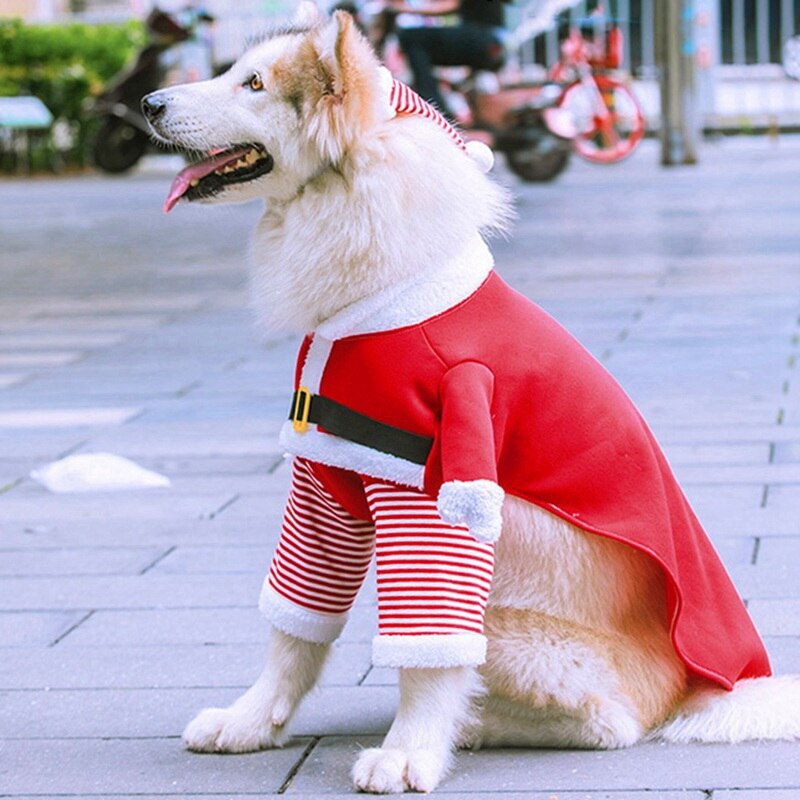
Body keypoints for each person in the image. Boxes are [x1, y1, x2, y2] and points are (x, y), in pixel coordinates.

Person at [389, 0, 509, 117]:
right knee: (426, 49)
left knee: (411, 37)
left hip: (483, 39)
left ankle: (433, 106)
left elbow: (449, 4)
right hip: (494, 42)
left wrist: (401, 8)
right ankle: (445, 101)